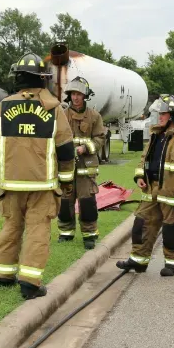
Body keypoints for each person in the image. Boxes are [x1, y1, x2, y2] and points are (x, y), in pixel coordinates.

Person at [0, 52, 75, 299]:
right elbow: (66, 150)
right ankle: (30, 283)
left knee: (11, 226)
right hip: (42, 185)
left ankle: (3, 274)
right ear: (42, 79)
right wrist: (66, 181)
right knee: (37, 231)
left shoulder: (2, 107)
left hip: (10, 183)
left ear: (18, 77)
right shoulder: (54, 109)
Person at [116, 94, 174, 276]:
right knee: (142, 224)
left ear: (172, 116)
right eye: (159, 113)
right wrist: (140, 176)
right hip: (152, 191)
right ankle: (138, 261)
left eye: (163, 113)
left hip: (173, 193)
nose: (159, 117)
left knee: (173, 230)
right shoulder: (157, 135)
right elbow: (144, 159)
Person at [57, 77, 106, 250]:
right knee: (65, 201)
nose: (75, 98)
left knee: (87, 203)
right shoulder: (62, 115)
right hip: (67, 166)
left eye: (78, 94)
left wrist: (85, 148)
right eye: (72, 94)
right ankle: (65, 233)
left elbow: (100, 138)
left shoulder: (94, 116)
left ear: (85, 95)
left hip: (86, 167)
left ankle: (89, 235)